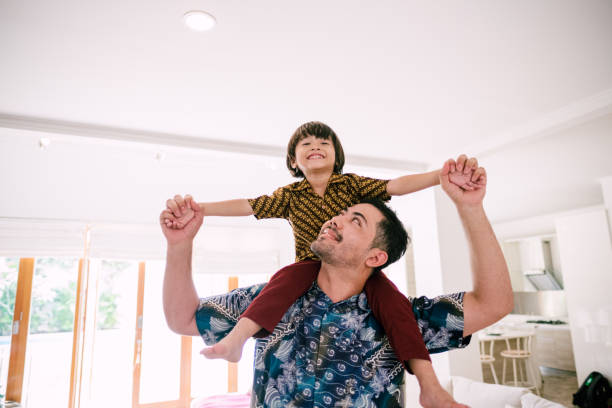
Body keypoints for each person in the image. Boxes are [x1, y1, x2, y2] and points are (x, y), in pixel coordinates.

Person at [160, 157, 513, 407]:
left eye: (355, 220)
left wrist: (470, 208)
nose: (335, 220)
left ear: (375, 257)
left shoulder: (402, 319)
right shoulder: (269, 300)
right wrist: (180, 246)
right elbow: (184, 320)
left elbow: (494, 304)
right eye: (340, 213)